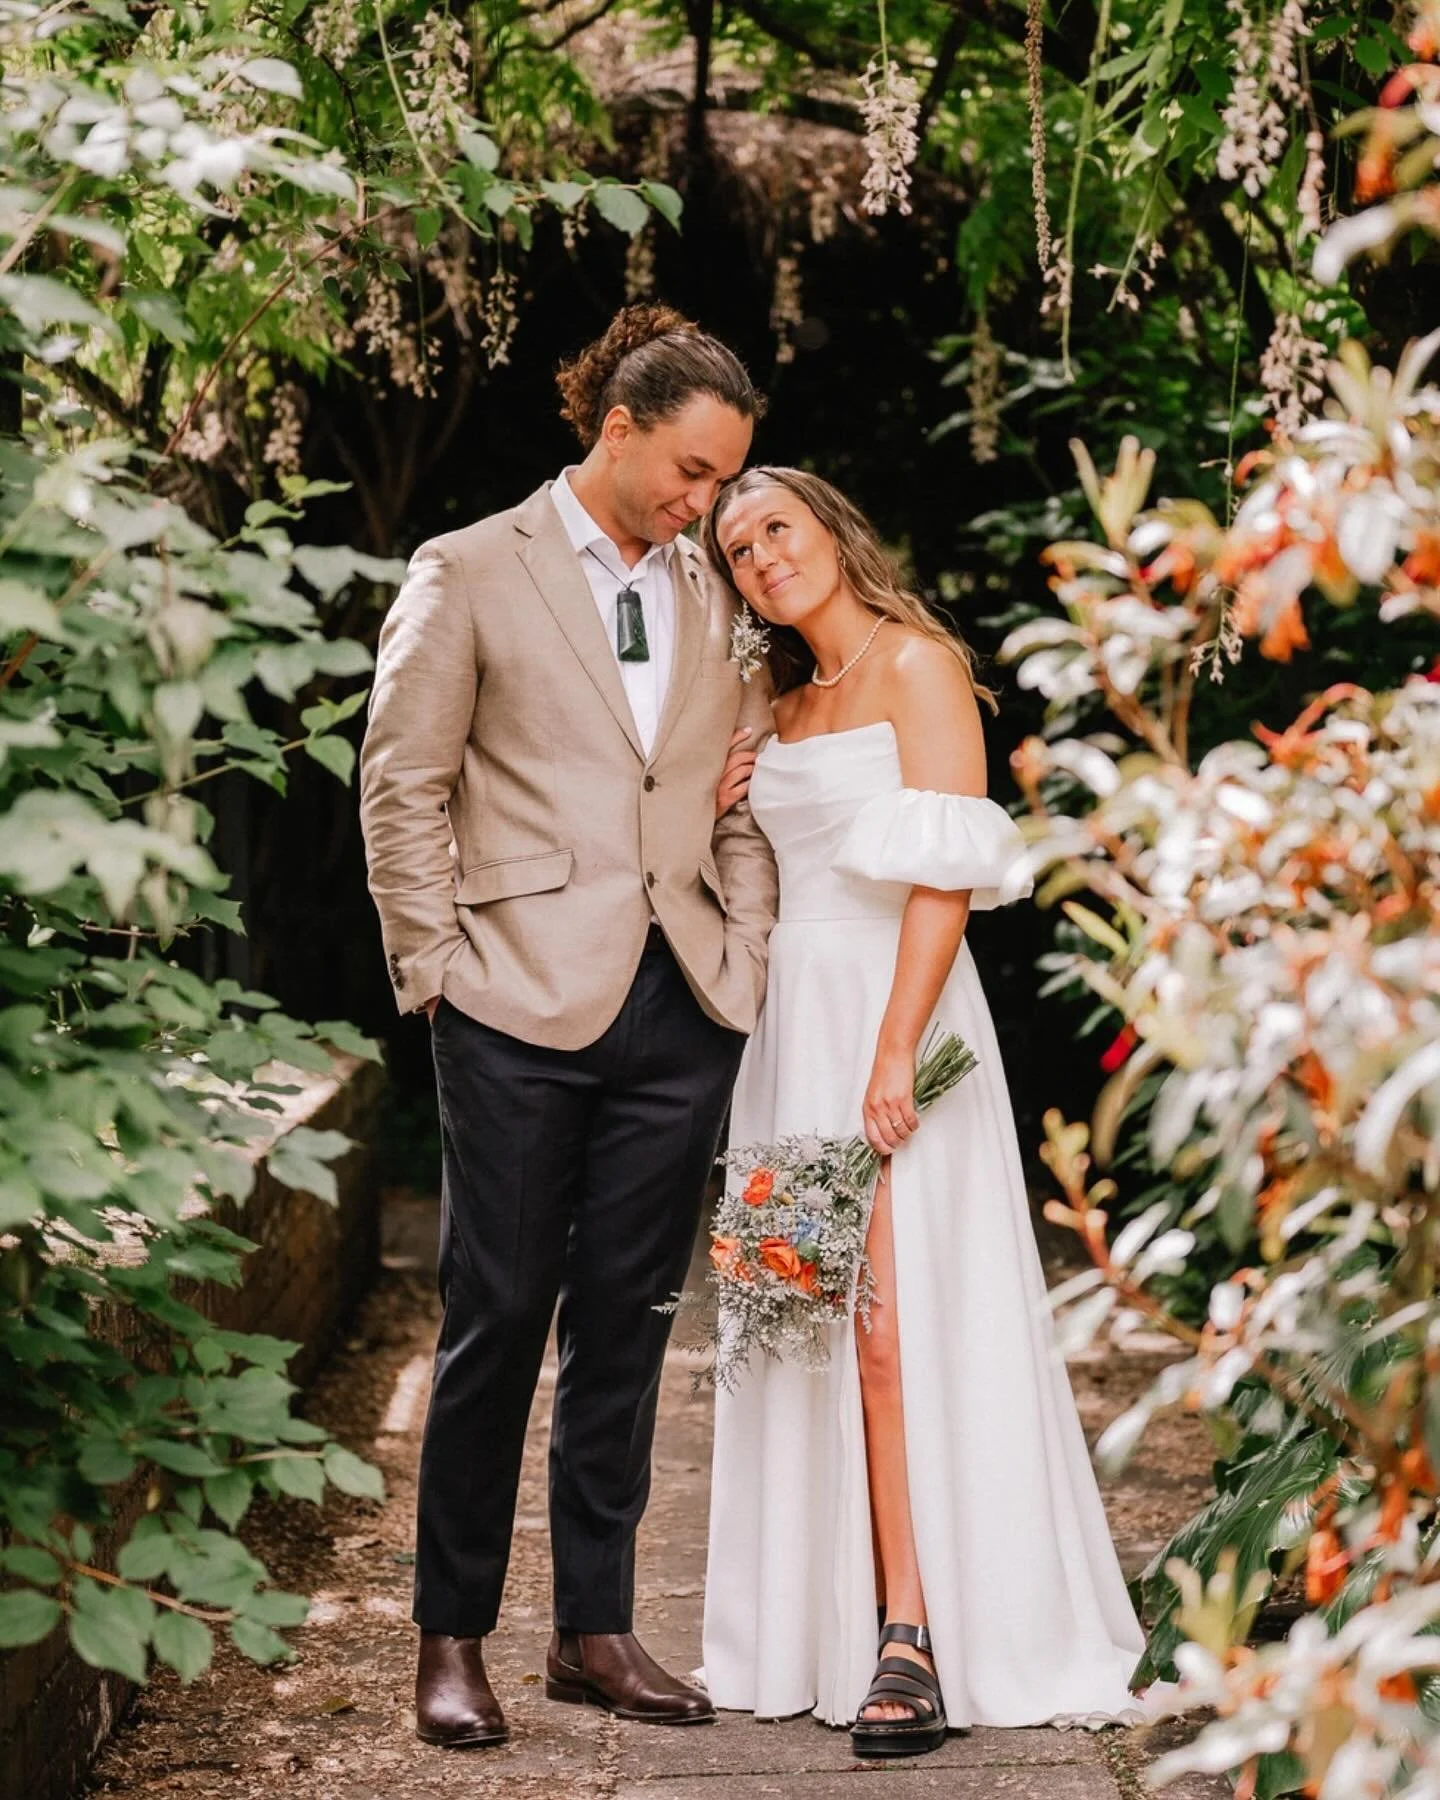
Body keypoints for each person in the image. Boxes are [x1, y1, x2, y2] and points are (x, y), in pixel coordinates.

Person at [359, 306, 778, 1749]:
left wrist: (749, 951)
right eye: (694, 469)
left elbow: (737, 786)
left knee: (630, 1328)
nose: (706, 502)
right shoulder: (469, 568)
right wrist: (434, 970)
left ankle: (594, 1630)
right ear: (618, 427)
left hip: (682, 1007)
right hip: (511, 1000)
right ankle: (451, 1638)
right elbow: (400, 782)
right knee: (495, 1319)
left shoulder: (716, 595)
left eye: (724, 479)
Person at [699, 468, 1145, 1756]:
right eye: (736, 549)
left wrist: (892, 1052)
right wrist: (732, 787)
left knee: (892, 1329)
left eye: (776, 527)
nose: (762, 557)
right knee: (799, 1318)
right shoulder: (775, 708)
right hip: (790, 1038)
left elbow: (943, 885)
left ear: (834, 529)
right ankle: (804, 1623)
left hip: (901, 1024)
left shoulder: (921, 668)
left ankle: (916, 1631)